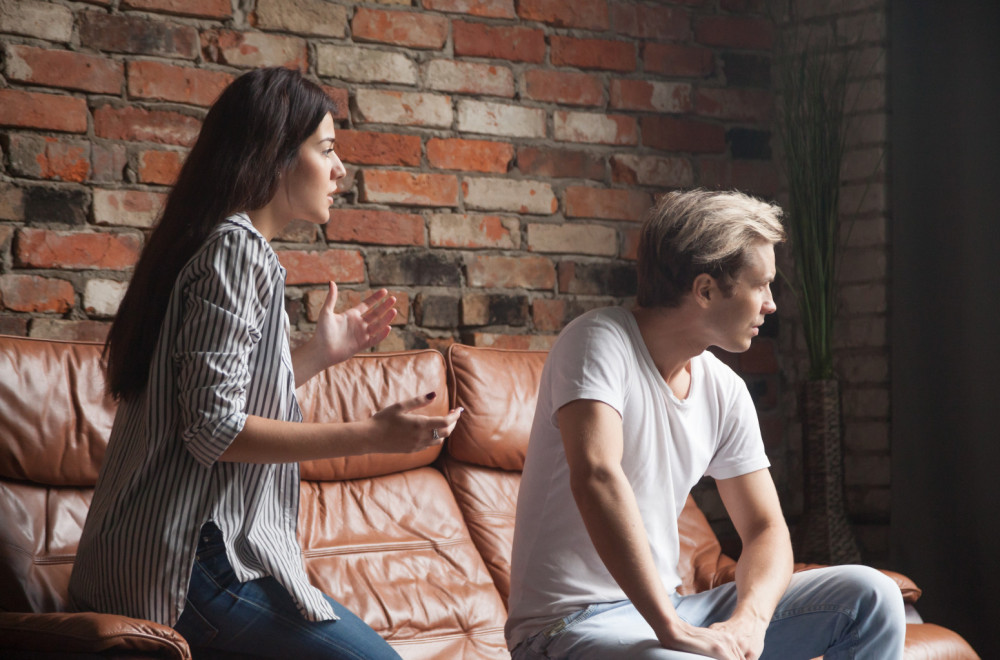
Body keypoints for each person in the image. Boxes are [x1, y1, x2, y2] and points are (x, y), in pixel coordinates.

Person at [68, 67, 462, 659]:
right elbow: (215, 431)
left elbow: (203, 401)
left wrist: (315, 355)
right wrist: (373, 435)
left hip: (139, 561)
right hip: (186, 569)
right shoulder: (237, 249)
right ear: (276, 154)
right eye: (326, 149)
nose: (340, 169)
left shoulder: (211, 243)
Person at [505, 189, 906, 660]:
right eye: (761, 285)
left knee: (872, 597)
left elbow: (765, 527)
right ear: (706, 290)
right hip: (567, 625)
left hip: (670, 608)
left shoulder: (723, 388)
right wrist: (671, 628)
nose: (771, 304)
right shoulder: (597, 342)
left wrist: (750, 622)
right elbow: (597, 476)